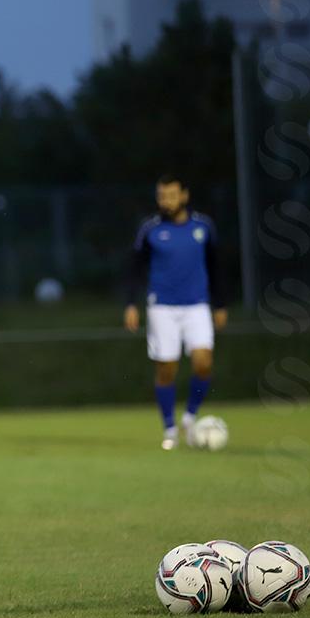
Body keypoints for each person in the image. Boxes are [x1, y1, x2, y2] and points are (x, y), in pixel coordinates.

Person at [124, 175, 227, 450]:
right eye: (161, 196)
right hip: (162, 307)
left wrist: (220, 304)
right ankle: (170, 428)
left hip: (197, 304)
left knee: (203, 362)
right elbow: (135, 268)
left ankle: (190, 417)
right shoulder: (150, 229)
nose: (165, 201)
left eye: (171, 195)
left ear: (184, 195)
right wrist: (131, 304)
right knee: (166, 368)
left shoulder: (203, 227)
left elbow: (215, 266)